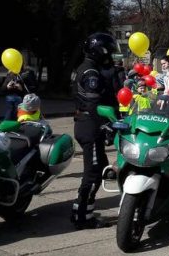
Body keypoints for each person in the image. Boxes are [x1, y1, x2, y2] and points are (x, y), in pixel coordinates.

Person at [71, 32, 119, 229]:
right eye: (108, 52)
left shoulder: (84, 67)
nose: (109, 57)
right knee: (93, 172)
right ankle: (82, 217)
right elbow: (93, 103)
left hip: (87, 124)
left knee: (100, 167)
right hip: (89, 125)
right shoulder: (91, 72)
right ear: (99, 51)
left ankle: (81, 209)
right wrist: (107, 123)